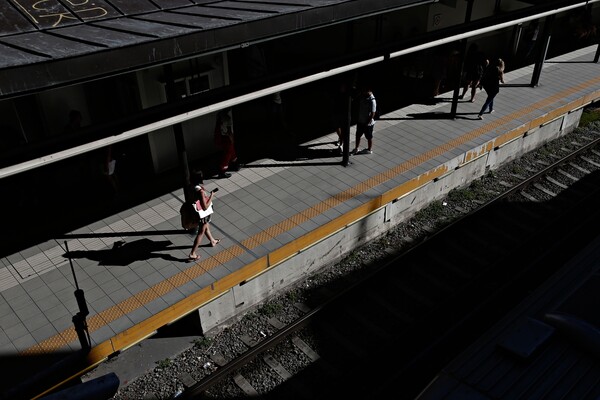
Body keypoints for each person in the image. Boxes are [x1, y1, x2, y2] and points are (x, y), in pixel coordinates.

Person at [189, 185, 220, 260]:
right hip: (203, 215)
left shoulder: (194, 188)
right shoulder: (201, 191)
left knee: (206, 227)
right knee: (201, 233)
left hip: (199, 214)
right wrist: (212, 196)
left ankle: (212, 241)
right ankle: (192, 253)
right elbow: (205, 207)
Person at [351, 86, 376, 155]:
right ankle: (356, 148)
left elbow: (373, 113)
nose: (363, 92)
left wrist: (367, 123)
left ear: (369, 91)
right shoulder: (362, 95)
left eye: (365, 91)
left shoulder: (372, 100)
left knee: (369, 136)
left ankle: (369, 149)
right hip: (360, 120)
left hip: (367, 123)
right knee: (358, 135)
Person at [214, 109, 238, 179]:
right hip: (227, 137)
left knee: (231, 151)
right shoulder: (227, 118)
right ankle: (222, 171)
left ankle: (235, 164)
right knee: (227, 154)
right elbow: (229, 131)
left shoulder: (219, 115)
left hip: (221, 136)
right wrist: (232, 139)